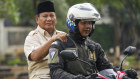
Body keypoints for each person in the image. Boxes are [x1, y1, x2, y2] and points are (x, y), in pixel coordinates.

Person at [48, 3, 118, 79]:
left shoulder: (94, 47)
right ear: (73, 24)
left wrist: (122, 73)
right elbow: (55, 72)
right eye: (84, 23)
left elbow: (106, 68)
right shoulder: (59, 45)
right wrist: (74, 78)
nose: (88, 26)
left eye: (90, 23)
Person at [24, 1, 67, 79]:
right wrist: (52, 40)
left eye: (51, 15)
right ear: (37, 19)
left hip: (62, 75)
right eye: (45, 16)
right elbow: (34, 56)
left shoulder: (63, 35)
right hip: (41, 76)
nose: (49, 19)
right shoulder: (32, 37)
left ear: (55, 17)